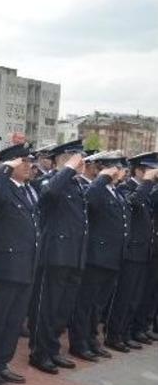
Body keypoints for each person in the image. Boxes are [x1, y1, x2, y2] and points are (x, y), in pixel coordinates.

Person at [0, 143, 39, 385]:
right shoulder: (0, 186)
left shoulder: (28, 190)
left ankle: (2, 363)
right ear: (9, 164)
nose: (28, 165)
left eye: (29, 161)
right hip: (5, 265)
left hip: (26, 265)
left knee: (13, 320)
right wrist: (4, 167)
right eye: (22, 161)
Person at [28, 140, 89, 374]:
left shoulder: (75, 185)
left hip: (73, 256)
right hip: (54, 255)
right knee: (48, 307)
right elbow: (49, 193)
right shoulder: (51, 181)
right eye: (73, 156)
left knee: (62, 309)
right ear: (60, 159)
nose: (79, 161)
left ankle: (52, 350)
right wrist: (69, 169)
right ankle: (40, 352)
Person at [70, 151, 129, 360]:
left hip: (112, 258)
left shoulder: (116, 192)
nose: (121, 172)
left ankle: (92, 339)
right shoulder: (95, 188)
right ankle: (79, 343)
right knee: (85, 303)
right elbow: (90, 199)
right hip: (96, 257)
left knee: (98, 305)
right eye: (117, 168)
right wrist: (103, 177)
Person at [107, 152, 158, 349]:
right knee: (124, 295)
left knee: (136, 296)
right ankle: (114, 334)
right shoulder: (126, 188)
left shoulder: (147, 190)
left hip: (144, 251)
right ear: (140, 171)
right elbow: (134, 202)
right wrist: (147, 182)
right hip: (130, 252)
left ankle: (127, 332)